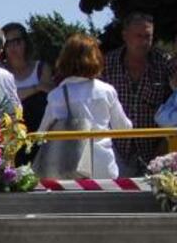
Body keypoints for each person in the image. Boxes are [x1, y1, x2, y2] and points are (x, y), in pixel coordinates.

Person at [38, 34, 132, 178]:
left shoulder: (56, 96)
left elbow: (40, 135)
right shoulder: (107, 91)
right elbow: (124, 128)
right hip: (104, 167)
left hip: (69, 169)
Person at [103, 13, 174, 175]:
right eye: (138, 36)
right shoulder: (107, 64)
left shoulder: (164, 64)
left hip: (155, 153)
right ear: (125, 36)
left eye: (148, 36)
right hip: (115, 153)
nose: (143, 42)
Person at [0, 22, 53, 130]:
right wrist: (35, 88)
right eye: (7, 43)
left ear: (26, 43)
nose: (12, 47)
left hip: (39, 132)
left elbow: (49, 94)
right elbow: (4, 100)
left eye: (17, 41)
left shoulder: (41, 68)